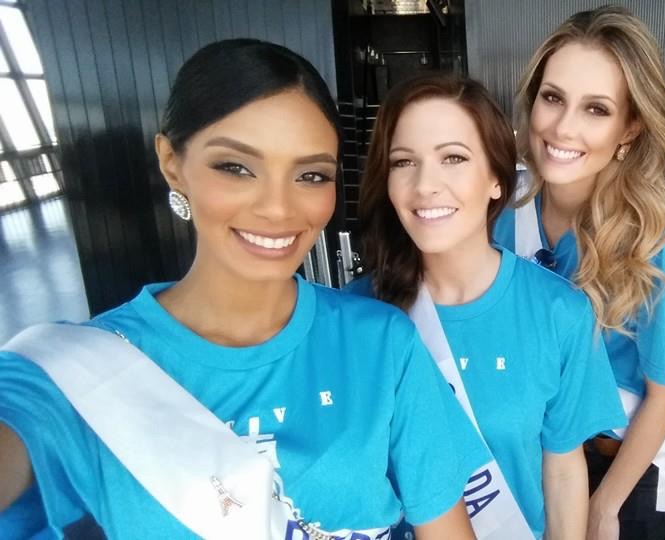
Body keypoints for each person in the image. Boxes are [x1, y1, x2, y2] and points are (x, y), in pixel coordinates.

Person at [0, 39, 485, 540]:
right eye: (235, 167)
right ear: (172, 163)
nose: (278, 208)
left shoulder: (381, 342)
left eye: (311, 175)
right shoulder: (69, 379)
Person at [344, 73, 627, 540]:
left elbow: (562, 469)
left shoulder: (559, 312)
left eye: (453, 158)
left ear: (497, 179)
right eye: (403, 162)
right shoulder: (353, 318)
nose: (425, 185)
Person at [493, 6, 665, 540]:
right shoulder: (501, 206)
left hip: (615, 467)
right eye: (553, 98)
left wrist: (601, 507)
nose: (563, 127)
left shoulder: (652, 243)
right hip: (531, 454)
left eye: (596, 109)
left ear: (629, 128)